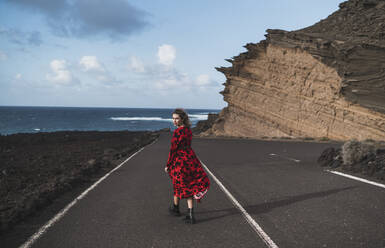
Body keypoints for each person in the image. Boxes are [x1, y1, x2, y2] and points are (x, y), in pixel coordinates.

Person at [164, 108, 210, 224]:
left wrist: (168, 164)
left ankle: (180, 210)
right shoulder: (188, 130)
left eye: (176, 118)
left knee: (178, 184)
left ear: (182, 119)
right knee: (188, 184)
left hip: (180, 161)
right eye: (173, 118)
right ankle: (186, 212)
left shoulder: (178, 132)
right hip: (190, 158)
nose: (174, 121)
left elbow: (173, 150)